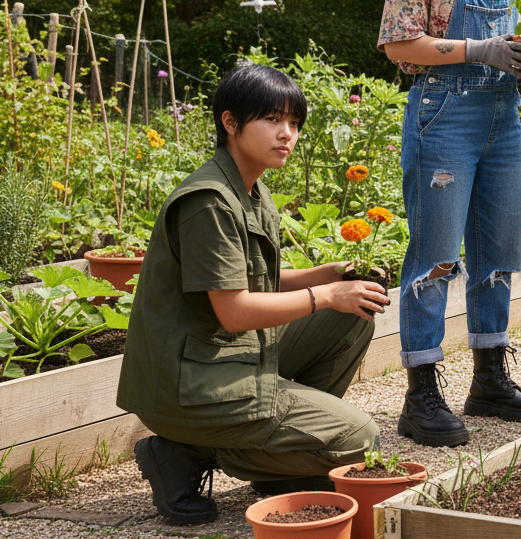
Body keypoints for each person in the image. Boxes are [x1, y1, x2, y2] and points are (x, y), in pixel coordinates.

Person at [117, 64, 392, 525]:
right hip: (188, 384)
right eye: (272, 120)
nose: (287, 134)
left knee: (353, 313)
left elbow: (253, 282)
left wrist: (327, 275)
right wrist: (325, 295)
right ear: (230, 123)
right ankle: (189, 451)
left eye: (295, 124)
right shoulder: (208, 202)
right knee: (359, 438)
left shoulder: (250, 189)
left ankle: (276, 451)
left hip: (218, 358)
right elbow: (235, 310)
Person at [378, 0, 521, 448]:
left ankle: (490, 377)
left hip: (502, 118)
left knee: (497, 248)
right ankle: (420, 392)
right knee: (435, 257)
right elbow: (399, 46)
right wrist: (481, 49)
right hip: (443, 116)